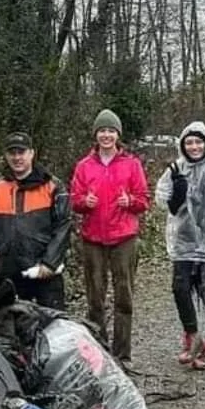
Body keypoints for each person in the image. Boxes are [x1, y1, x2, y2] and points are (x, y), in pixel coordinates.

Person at [70, 109, 150, 363]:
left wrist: (130, 201)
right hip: (93, 237)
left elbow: (144, 200)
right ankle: (100, 350)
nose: (106, 135)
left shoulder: (131, 164)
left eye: (111, 131)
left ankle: (122, 352)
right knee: (94, 295)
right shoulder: (84, 166)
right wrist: (85, 202)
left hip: (124, 237)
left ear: (118, 135)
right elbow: (74, 200)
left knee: (124, 294)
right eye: (102, 130)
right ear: (95, 135)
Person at [154, 120, 205, 370]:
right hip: (185, 240)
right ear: (182, 145)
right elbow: (163, 200)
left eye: (199, 141)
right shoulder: (176, 167)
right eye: (189, 142)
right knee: (180, 288)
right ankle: (191, 335)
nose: (194, 146)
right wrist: (178, 192)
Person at [0, 131, 71, 308]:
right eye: (12, 153)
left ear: (31, 153)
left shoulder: (52, 186)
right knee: (13, 330)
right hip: (9, 274)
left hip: (45, 273)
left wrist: (50, 263)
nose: (17, 157)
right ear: (5, 156)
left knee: (51, 329)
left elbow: (63, 227)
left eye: (21, 152)